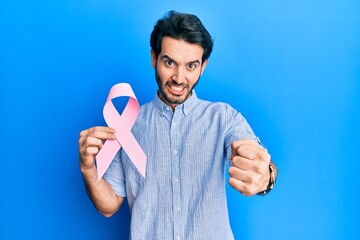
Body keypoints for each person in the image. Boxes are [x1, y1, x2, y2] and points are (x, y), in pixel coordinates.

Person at [79, 10, 278, 240]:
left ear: (203, 66)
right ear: (154, 58)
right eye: (170, 62)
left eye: (191, 66)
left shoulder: (224, 118)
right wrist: (87, 169)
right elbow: (108, 205)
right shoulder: (127, 125)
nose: (179, 78)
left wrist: (265, 176)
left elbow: (255, 156)